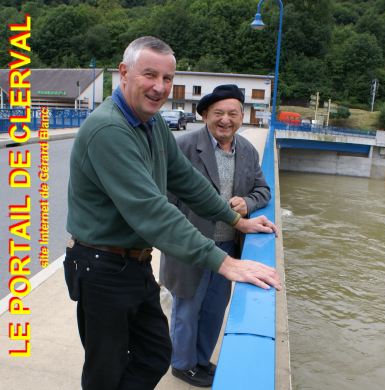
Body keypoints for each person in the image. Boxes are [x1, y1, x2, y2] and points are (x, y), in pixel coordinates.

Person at [64, 36, 281, 390]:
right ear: (123, 73)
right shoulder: (109, 129)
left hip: (133, 262)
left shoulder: (151, 125)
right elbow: (152, 211)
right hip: (100, 265)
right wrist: (225, 263)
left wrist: (237, 221)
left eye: (168, 78)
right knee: (106, 368)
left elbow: (189, 182)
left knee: (154, 352)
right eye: (150, 75)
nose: (160, 87)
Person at [159, 84, 272, 387]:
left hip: (226, 247)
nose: (226, 120)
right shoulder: (184, 147)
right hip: (190, 245)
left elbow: (263, 190)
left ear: (241, 116)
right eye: (218, 113)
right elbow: (164, 200)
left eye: (232, 113)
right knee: (187, 307)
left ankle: (200, 360)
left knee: (213, 309)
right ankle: (182, 365)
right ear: (206, 114)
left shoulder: (246, 150)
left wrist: (247, 203)